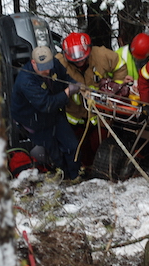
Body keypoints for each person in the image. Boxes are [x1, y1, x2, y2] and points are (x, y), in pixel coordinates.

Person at [56, 32, 131, 164]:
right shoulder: (59, 63)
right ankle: (83, 167)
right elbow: (50, 82)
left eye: (82, 59)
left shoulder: (101, 55)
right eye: (75, 60)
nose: (79, 62)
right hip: (74, 113)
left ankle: (99, 168)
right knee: (77, 145)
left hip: (99, 112)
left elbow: (120, 66)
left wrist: (115, 89)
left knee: (100, 143)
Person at [10, 45, 82, 180]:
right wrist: (67, 92)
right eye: (43, 68)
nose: (47, 71)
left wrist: (75, 85)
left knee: (72, 146)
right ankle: (63, 177)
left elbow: (65, 78)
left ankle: (75, 176)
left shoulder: (54, 64)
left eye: (49, 66)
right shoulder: (26, 80)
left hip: (53, 114)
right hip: (33, 119)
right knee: (55, 154)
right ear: (33, 63)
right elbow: (46, 104)